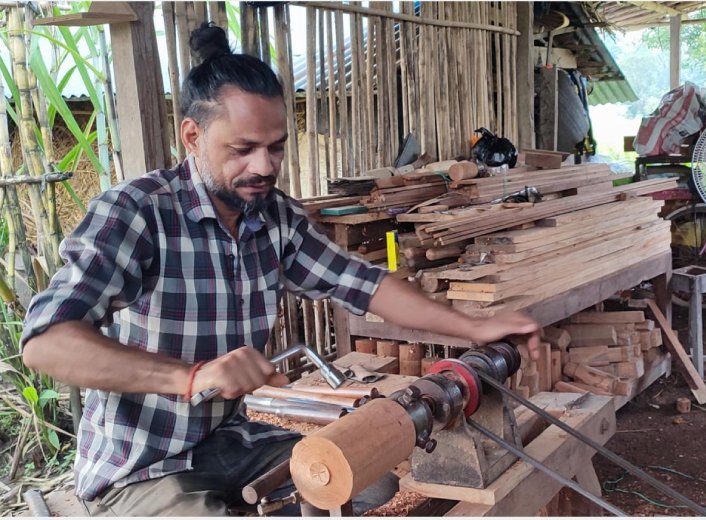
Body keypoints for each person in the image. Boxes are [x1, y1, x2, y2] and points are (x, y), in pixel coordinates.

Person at [21, 23, 540, 516]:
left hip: (226, 442)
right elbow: (46, 342)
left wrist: (474, 328)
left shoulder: (274, 218)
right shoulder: (137, 213)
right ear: (192, 137)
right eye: (243, 149)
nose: (264, 167)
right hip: (138, 464)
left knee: (367, 478)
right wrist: (191, 377)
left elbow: (364, 285)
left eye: (276, 147)